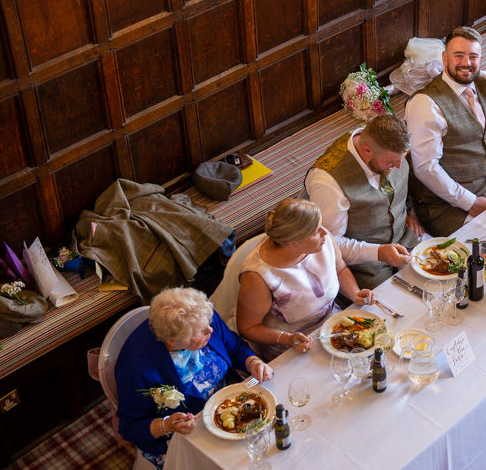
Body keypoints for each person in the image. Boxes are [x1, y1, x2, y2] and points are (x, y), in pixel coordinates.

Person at [114, 287, 273, 469]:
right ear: (174, 340)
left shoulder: (203, 318)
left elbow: (235, 347)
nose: (210, 330)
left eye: (209, 322)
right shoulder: (136, 366)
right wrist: (166, 424)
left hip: (232, 408)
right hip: (186, 435)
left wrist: (252, 361)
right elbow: (129, 427)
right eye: (201, 331)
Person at [235, 198, 374, 360]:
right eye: (316, 231)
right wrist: (288, 338)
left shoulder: (323, 240)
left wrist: (354, 293)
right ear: (294, 242)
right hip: (291, 345)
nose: (325, 232)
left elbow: (340, 268)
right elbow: (248, 328)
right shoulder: (258, 277)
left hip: (332, 325)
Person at [304, 115, 423, 289]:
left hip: (404, 240)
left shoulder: (386, 147)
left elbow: (395, 189)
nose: (399, 166)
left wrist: (409, 212)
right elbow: (330, 241)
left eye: (402, 158)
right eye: (391, 162)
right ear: (367, 151)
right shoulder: (328, 182)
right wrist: (378, 252)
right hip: (365, 265)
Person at [406, 26, 486, 236]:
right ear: (444, 58)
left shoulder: (483, 82)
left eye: (473, 56)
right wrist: (470, 202)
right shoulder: (425, 103)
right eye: (459, 56)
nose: (466, 63)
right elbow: (426, 168)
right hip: (445, 208)